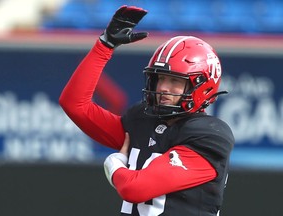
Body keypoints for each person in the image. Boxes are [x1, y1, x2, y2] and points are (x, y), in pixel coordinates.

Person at [59, 5, 235, 216]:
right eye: (160, 78)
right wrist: (105, 45)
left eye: (174, 81)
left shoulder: (209, 136)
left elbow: (135, 189)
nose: (162, 87)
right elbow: (75, 104)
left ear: (201, 86)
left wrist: (114, 165)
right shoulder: (143, 119)